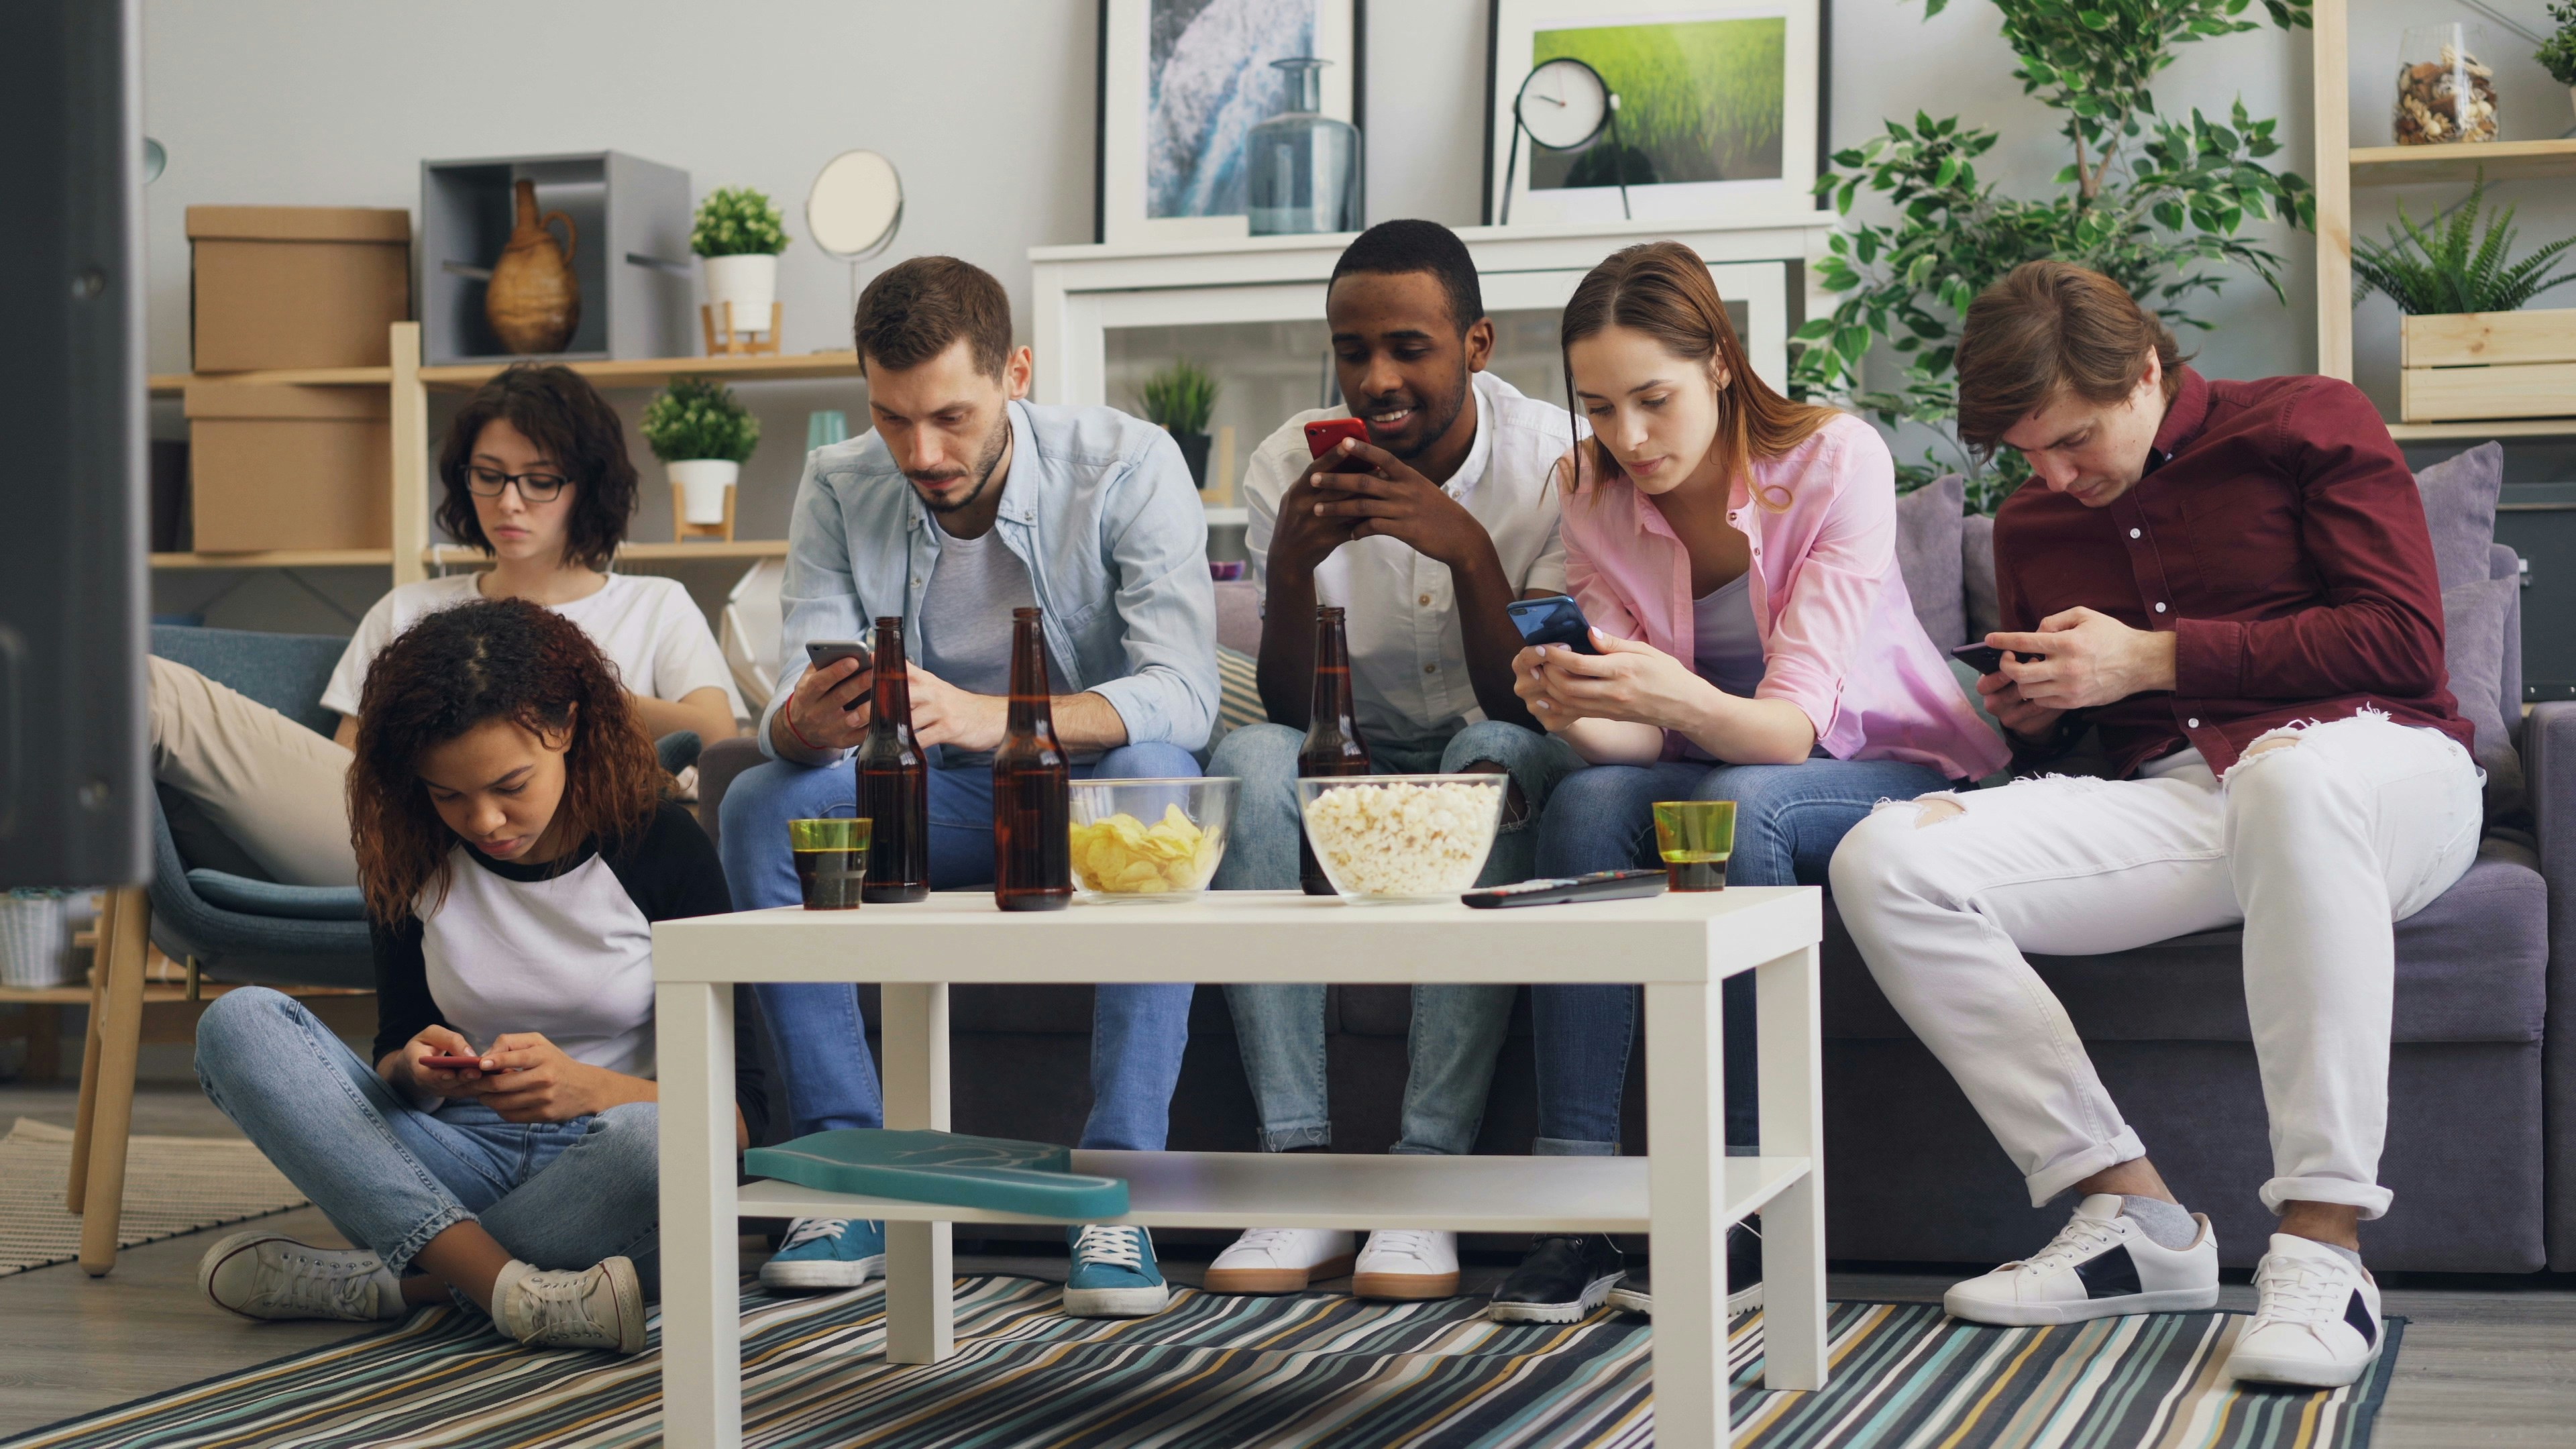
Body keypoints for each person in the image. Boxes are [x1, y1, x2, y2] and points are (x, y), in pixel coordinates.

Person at [1828, 261, 2479, 1388]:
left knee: (2288, 781)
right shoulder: (2036, 522)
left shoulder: (2308, 420)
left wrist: (2156, 657)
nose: (2053, 476)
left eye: (2073, 439)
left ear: (2144, 370)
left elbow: (2402, 642)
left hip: (2383, 768)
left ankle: (2325, 1251)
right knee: (1884, 859)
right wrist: (2041, 716)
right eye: (2027, 453)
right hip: (2190, 799)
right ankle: (2134, 1218)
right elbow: (2095, 736)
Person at [1487, 241, 2008, 1325]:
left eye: (1654, 400)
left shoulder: (1834, 460)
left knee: (1739, 805)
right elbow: (1638, 748)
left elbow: (1785, 732)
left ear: (1720, 363)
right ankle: (1577, 1204)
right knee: (1584, 800)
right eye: (1599, 408)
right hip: (1705, 758)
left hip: (1871, 761)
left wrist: (1663, 695)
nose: (1629, 438)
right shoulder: (1589, 491)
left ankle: (1741, 1207)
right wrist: (1575, 707)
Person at [718, 256, 1215, 1318]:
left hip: (1081, 805)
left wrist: (1005, 720)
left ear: (1015, 374)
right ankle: (844, 1174)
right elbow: (804, 697)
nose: (922, 454)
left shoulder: (1128, 465)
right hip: (925, 800)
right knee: (763, 800)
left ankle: (1115, 1192)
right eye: (892, 419)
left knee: (1156, 778)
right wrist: (800, 724)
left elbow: (1186, 693)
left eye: (950, 417)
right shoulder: (839, 482)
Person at [191, 598, 767, 1356]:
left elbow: (748, 1115)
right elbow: (393, 1049)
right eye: (449, 795)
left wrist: (592, 1089)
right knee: (239, 1023)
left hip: (606, 1178)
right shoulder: (412, 850)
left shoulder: (659, 844)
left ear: (566, 728)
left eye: (511, 785)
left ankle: (406, 1284)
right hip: (444, 1163)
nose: (485, 821)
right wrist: (414, 1069)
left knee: (653, 1140)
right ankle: (516, 1294)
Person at [1200, 219, 1585, 1303]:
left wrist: (1462, 546)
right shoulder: (1287, 463)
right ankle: (1299, 1175)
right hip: (1350, 755)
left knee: (1489, 752)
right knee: (1253, 757)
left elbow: (1536, 703)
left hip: (1500, 735)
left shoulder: (1552, 464)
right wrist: (1288, 570)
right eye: (1352, 350)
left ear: (1476, 345)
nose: (1376, 380)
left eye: (1409, 348)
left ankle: (1425, 1179)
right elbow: (1290, 711)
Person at [148, 364, 742, 889]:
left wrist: (565, 684)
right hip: (398, 834)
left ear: (587, 489)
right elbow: (353, 772)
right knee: (154, 723)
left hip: (544, 853)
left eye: (540, 481)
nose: (509, 502)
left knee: (151, 690)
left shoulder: (654, 604)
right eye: (489, 475)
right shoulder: (408, 607)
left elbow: (716, 738)